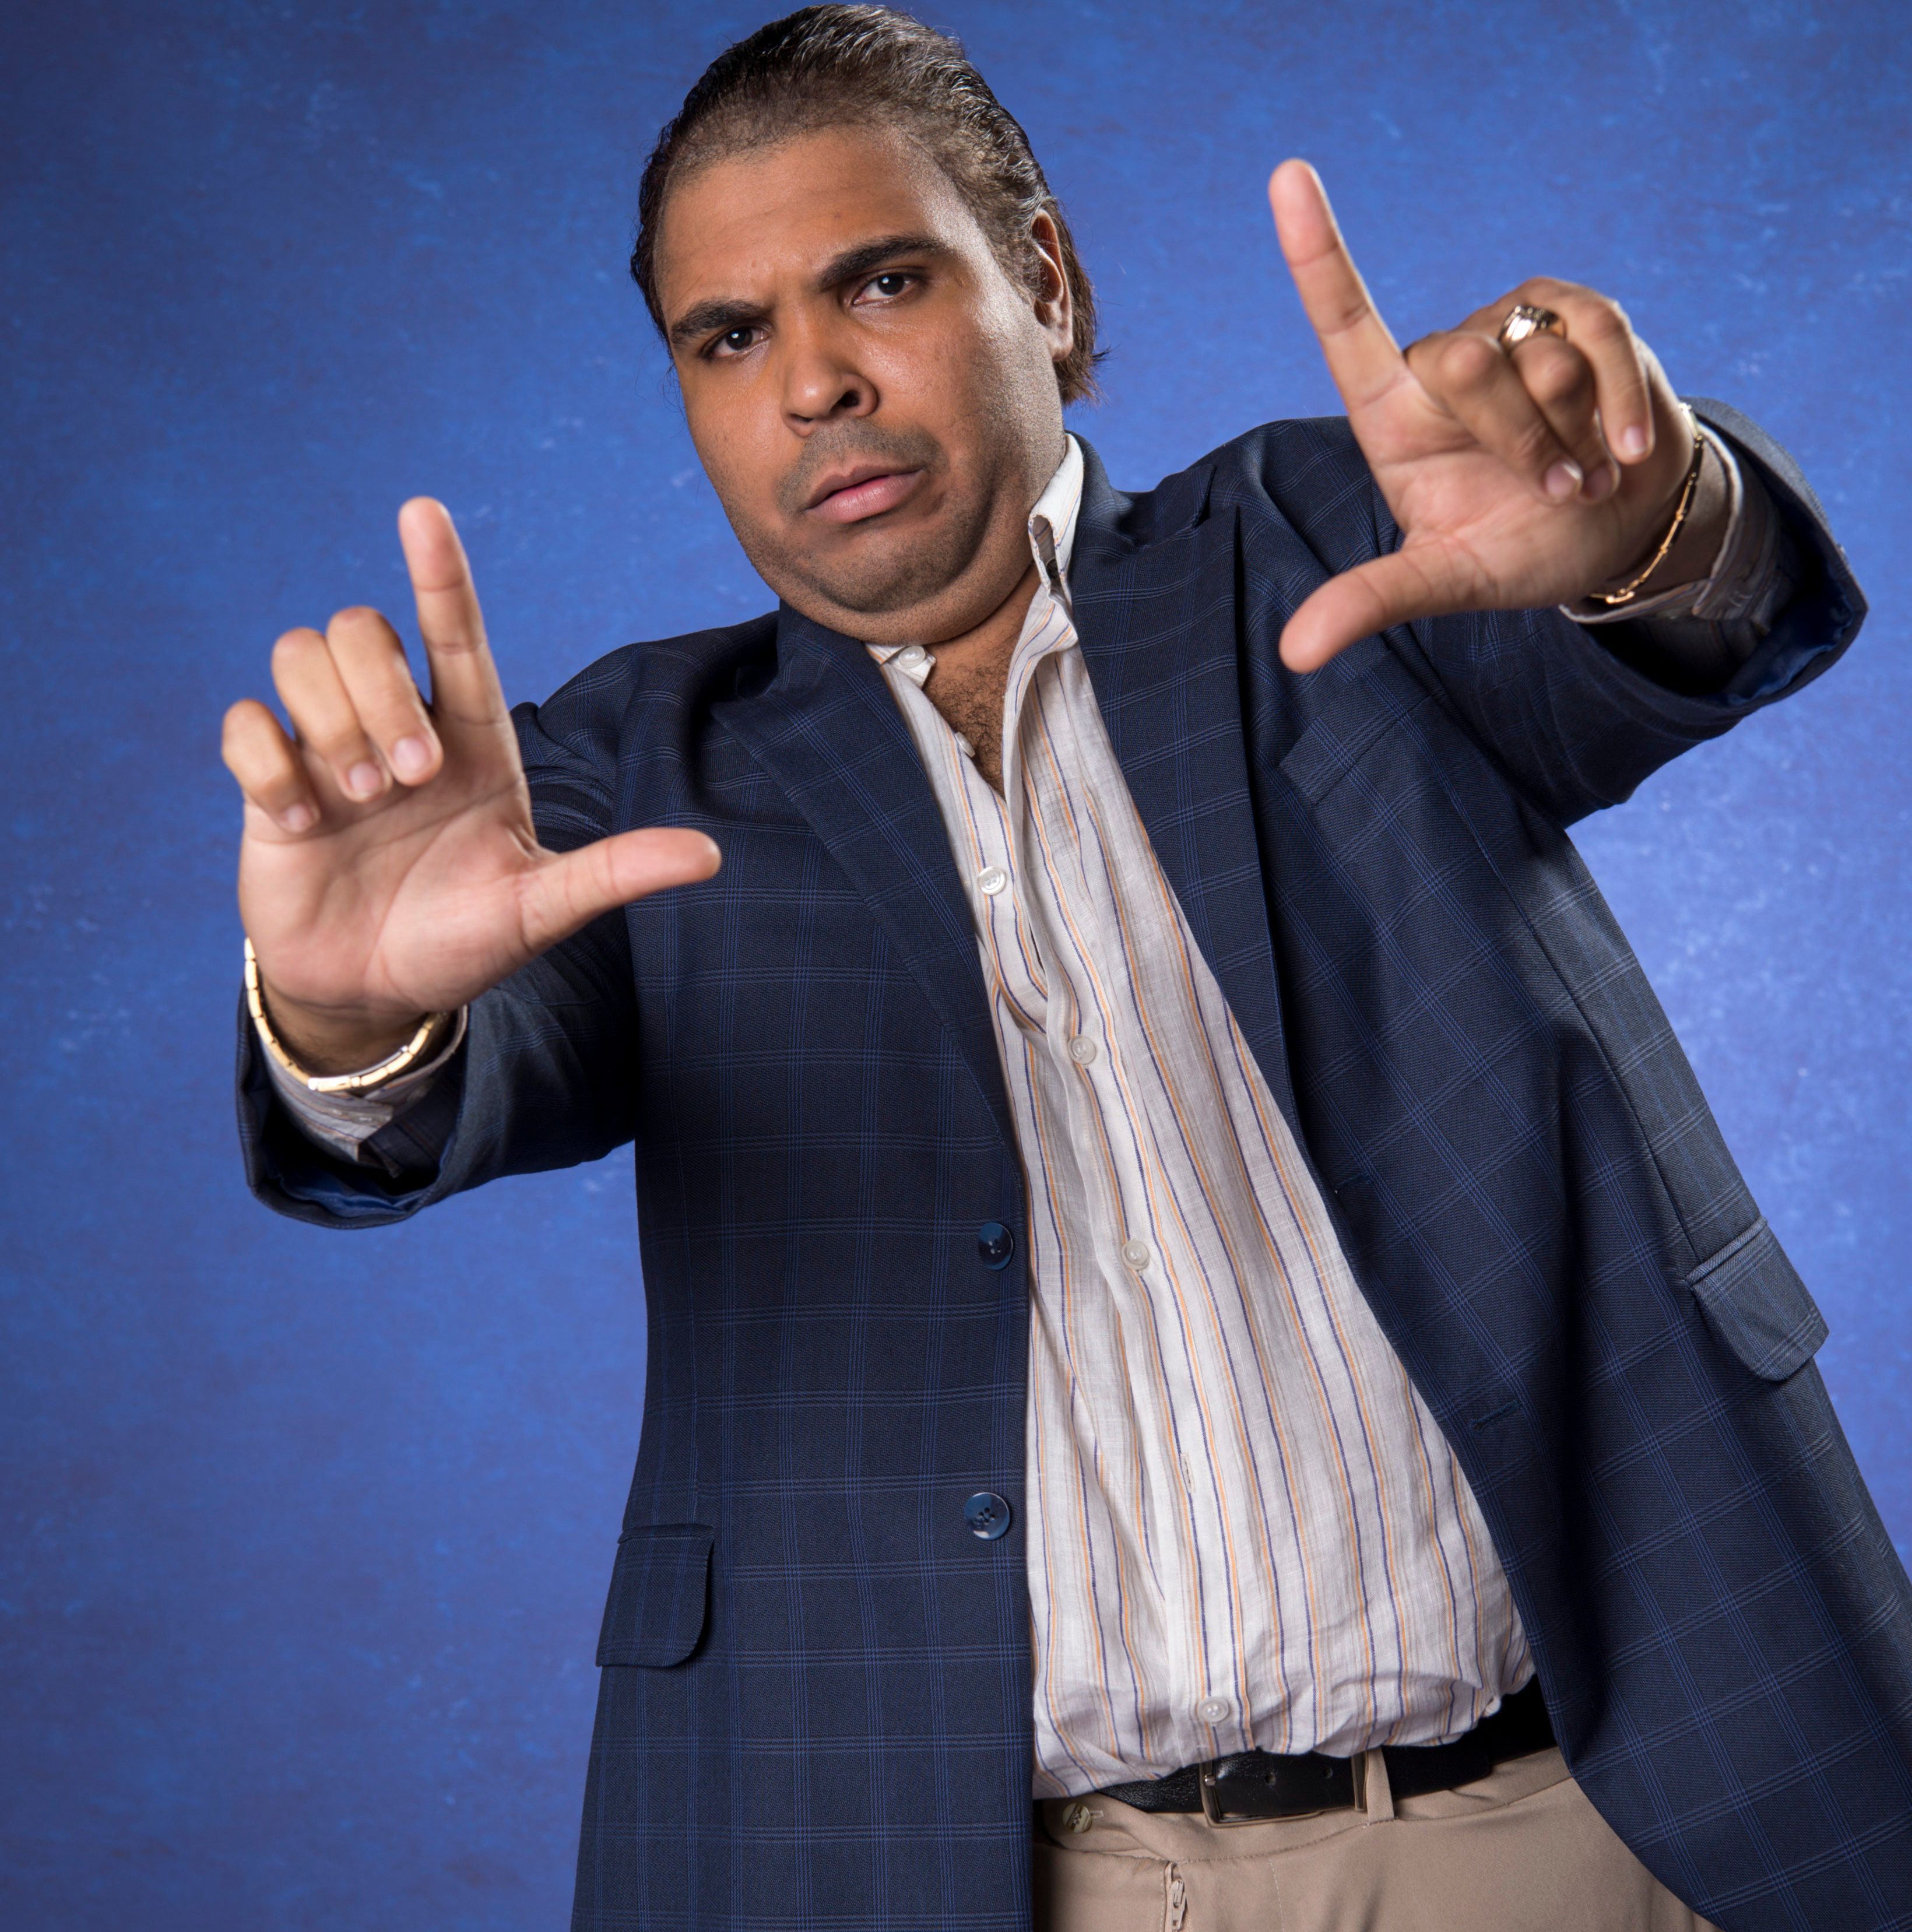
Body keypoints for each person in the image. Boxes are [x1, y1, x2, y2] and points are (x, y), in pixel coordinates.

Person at [222, 8, 1911, 1929]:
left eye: (881, 280)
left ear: (1042, 280)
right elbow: (446, 1084)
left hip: (1591, 1822)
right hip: (981, 1872)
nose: (814, 383)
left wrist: (1659, 519)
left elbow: (1681, 628)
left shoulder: (1326, 548)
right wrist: (352, 1011)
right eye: (730, 337)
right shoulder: (618, 772)